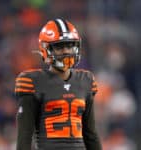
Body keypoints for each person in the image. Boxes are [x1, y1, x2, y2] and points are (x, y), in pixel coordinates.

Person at [15, 18, 102, 150]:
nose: (66, 51)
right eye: (59, 47)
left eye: (69, 45)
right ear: (46, 49)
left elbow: (90, 134)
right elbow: (24, 136)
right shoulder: (33, 81)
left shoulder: (86, 80)